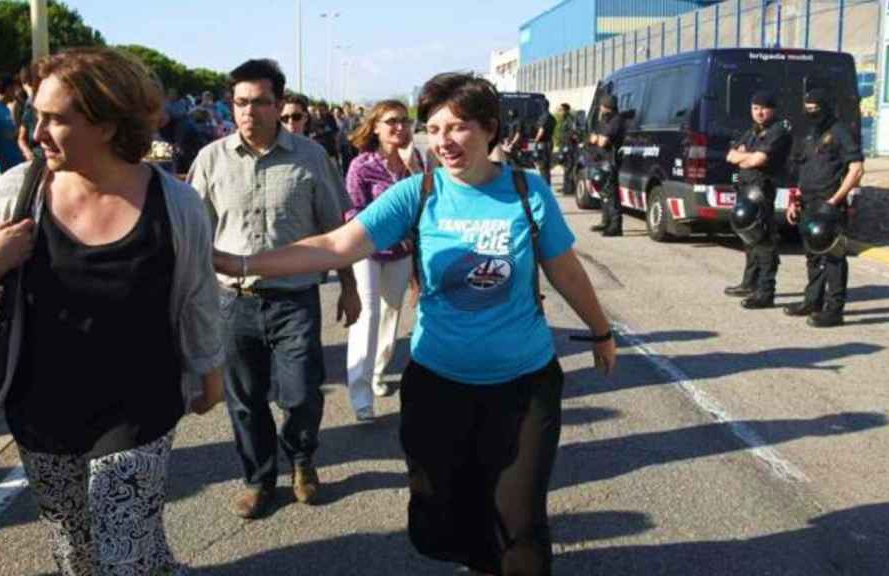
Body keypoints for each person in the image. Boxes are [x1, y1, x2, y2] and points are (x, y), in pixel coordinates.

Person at [212, 72, 617, 576]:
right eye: (435, 129)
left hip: (524, 385)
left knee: (520, 523)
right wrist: (241, 264)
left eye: (458, 127)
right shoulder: (417, 193)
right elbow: (337, 245)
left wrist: (601, 331)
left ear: (489, 129)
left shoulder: (525, 190)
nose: (444, 141)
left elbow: (565, 270)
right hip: (439, 386)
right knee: (440, 519)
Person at [0, 47, 224, 575]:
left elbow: (197, 295)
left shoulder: (176, 203)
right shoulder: (19, 190)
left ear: (106, 124)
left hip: (139, 408)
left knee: (124, 551)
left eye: (55, 119)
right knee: (75, 551)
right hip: (41, 409)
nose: (37, 132)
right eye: (36, 115)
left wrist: (209, 372)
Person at [188, 59, 361, 519]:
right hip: (233, 303)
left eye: (260, 102)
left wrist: (349, 287)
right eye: (240, 102)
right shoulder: (211, 159)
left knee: (301, 393)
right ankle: (259, 479)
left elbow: (335, 232)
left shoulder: (311, 157)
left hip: (295, 300)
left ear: (278, 103)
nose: (249, 112)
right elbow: (195, 235)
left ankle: (302, 460)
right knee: (244, 401)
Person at [343, 99, 424, 421]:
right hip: (367, 251)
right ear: (375, 127)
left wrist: (413, 168)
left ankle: (377, 371)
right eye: (391, 121)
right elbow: (353, 211)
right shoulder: (361, 165)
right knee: (368, 316)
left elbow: (428, 201)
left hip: (402, 253)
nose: (400, 127)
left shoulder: (414, 161)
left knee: (391, 314)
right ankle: (360, 396)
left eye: (405, 121)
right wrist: (387, 234)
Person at [783, 88, 864, 328]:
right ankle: (812, 301)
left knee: (834, 257)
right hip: (808, 204)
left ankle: (834, 310)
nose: (811, 113)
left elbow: (857, 169)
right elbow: (801, 171)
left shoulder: (840, 131)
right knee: (813, 256)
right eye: (807, 109)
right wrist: (794, 201)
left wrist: (834, 201)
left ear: (826, 108)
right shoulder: (810, 134)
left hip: (830, 205)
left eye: (815, 109)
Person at [724, 90, 792, 309]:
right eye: (755, 108)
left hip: (761, 190)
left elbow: (758, 160)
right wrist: (747, 157)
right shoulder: (753, 130)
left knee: (764, 241)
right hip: (746, 188)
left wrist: (747, 158)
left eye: (763, 108)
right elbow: (731, 156)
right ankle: (749, 283)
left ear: (773, 110)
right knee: (749, 239)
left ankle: (765, 291)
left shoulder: (778, 131)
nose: (759, 113)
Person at [588, 94, 625, 237]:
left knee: (611, 194)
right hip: (601, 159)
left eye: (602, 105)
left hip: (610, 161)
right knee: (604, 193)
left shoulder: (616, 120)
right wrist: (597, 138)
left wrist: (597, 138)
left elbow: (602, 141)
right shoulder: (604, 120)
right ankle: (606, 221)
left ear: (606, 106)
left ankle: (616, 226)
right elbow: (593, 138)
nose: (600, 108)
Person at [16, 64, 41, 162]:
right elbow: (21, 138)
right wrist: (28, 153)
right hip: (38, 157)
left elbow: (21, 138)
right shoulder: (29, 104)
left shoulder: (30, 102)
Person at [533, 100, 556, 186]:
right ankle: (547, 183)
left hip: (543, 143)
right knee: (546, 165)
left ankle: (545, 184)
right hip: (549, 142)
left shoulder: (544, 117)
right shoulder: (552, 117)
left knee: (543, 165)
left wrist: (535, 140)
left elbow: (541, 130)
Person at [557, 103, 579, 196]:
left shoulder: (570, 120)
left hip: (569, 147)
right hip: (564, 145)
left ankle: (569, 189)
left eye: (561, 110)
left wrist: (569, 142)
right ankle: (566, 187)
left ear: (566, 110)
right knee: (566, 167)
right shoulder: (564, 120)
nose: (559, 112)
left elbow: (574, 133)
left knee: (569, 168)